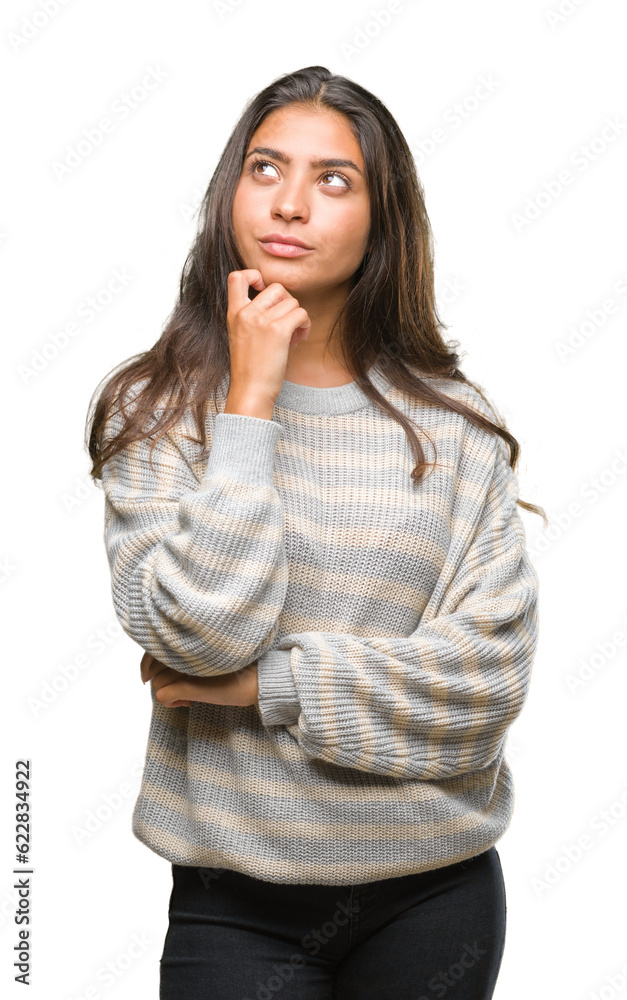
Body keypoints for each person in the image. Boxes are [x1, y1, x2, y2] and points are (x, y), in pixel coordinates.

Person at [86, 65, 544, 1000]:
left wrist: (266, 684)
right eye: (266, 168)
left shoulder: (454, 426)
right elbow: (196, 635)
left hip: (434, 897)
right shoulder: (156, 410)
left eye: (333, 180)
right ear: (229, 192)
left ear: (383, 219)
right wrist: (249, 402)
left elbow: (484, 684)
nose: (290, 203)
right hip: (233, 903)